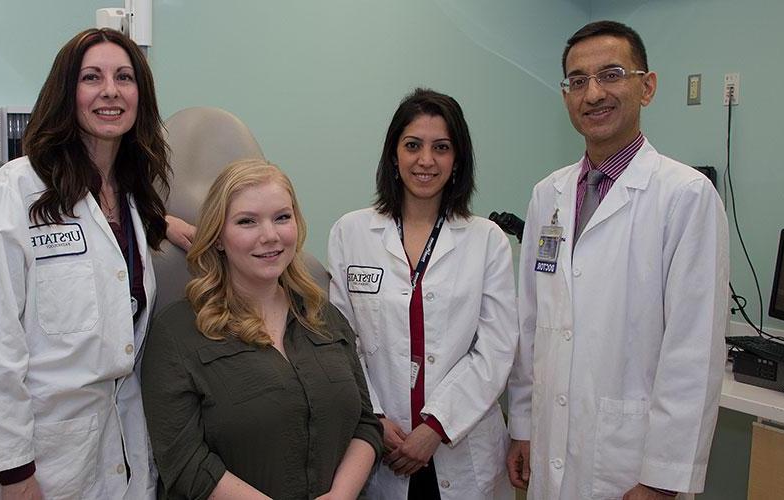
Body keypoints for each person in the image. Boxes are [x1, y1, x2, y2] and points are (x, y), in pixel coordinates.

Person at [0, 28, 170, 499]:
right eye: (91, 77)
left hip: (107, 442)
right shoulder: (17, 190)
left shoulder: (130, 196)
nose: (110, 90)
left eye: (125, 77)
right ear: (66, 93)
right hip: (26, 456)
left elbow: (110, 264)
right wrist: (15, 474)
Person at [505, 20, 730, 500]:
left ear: (646, 87)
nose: (593, 94)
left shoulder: (686, 196)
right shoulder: (549, 194)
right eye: (578, 81)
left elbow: (694, 352)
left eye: (611, 75)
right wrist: (522, 424)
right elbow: (531, 322)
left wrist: (662, 479)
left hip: (632, 465)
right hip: (551, 445)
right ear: (566, 95)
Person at [141, 159, 382, 499]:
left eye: (282, 217)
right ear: (219, 237)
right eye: (247, 221)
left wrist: (340, 495)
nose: (270, 236)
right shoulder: (178, 333)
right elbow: (184, 461)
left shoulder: (324, 316)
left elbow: (366, 423)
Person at [328, 88, 519, 499]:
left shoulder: (486, 240)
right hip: (382, 445)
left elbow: (496, 347)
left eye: (441, 147)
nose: (426, 160)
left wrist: (436, 427)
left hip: (461, 445)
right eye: (412, 145)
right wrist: (374, 416)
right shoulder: (352, 233)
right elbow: (342, 341)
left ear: (457, 160)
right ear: (393, 155)